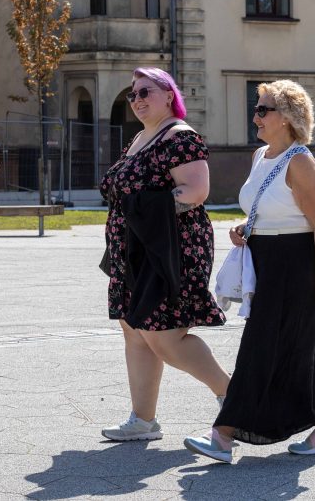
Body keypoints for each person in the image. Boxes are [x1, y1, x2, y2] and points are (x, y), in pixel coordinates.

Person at [184, 79, 315, 464]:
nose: (255, 115)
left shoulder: (301, 161)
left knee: (261, 346)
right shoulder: (261, 156)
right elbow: (268, 207)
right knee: (305, 347)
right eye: (256, 107)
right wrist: (244, 227)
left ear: (287, 118)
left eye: (263, 109)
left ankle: (222, 436)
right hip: (266, 258)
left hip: (295, 264)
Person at [99, 67, 229, 443]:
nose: (137, 99)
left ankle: (234, 396)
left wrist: (141, 210)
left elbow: (196, 190)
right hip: (133, 249)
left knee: (165, 335)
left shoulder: (179, 136)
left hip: (170, 247)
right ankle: (143, 421)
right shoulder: (141, 137)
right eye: (133, 94)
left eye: (146, 92)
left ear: (169, 94)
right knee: (135, 331)